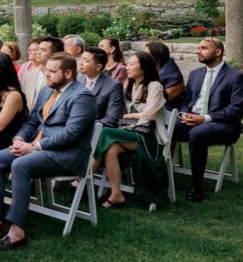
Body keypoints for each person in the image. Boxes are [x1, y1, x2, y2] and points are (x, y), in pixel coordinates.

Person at [0, 53, 96, 250]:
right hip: (39, 148)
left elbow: (72, 134)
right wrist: (19, 138)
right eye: (46, 70)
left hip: (67, 155)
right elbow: (33, 121)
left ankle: (17, 232)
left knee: (19, 165)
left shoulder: (82, 96)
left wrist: (34, 147)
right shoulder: (46, 91)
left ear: (68, 74)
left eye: (52, 71)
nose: (47, 75)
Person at [172, 37, 243, 202]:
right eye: (198, 47)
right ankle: (158, 176)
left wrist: (204, 118)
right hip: (192, 120)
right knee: (165, 125)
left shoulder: (237, 77)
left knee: (198, 133)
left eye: (204, 48)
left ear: (218, 52)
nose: (198, 51)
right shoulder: (195, 74)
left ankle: (196, 186)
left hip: (223, 125)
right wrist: (183, 114)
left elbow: (235, 110)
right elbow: (186, 101)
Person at [92, 51, 168, 208]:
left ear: (144, 67)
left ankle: (86, 173)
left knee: (105, 131)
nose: (127, 67)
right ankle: (116, 194)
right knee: (111, 149)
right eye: (128, 63)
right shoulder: (129, 85)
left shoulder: (155, 86)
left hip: (148, 136)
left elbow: (149, 115)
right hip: (129, 133)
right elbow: (120, 112)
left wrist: (130, 116)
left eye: (132, 64)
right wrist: (128, 118)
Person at [77, 47, 125, 128]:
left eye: (85, 60)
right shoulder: (77, 80)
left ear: (98, 67)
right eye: (81, 59)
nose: (80, 63)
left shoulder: (113, 86)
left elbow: (112, 119)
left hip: (95, 131)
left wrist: (83, 125)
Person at [21, 36, 63, 109]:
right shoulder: (29, 75)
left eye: (43, 50)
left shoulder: (61, 77)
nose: (38, 52)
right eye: (38, 49)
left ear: (55, 53)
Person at [145, 41, 186, 111]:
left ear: (157, 56)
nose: (143, 57)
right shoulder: (152, 70)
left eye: (146, 55)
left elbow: (158, 101)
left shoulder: (173, 78)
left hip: (166, 113)